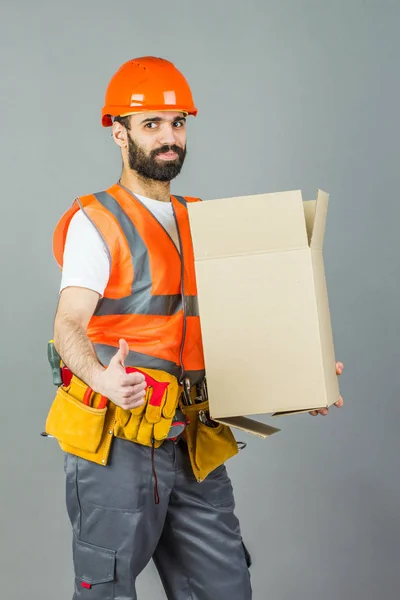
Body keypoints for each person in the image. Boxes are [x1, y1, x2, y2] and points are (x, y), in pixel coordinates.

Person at [45, 56, 344, 600]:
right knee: (105, 591)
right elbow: (68, 325)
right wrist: (100, 377)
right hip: (119, 440)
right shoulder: (97, 220)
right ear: (120, 133)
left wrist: (303, 378)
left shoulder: (204, 219)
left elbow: (240, 331)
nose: (169, 138)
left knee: (225, 587)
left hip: (193, 437)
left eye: (178, 123)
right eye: (152, 124)